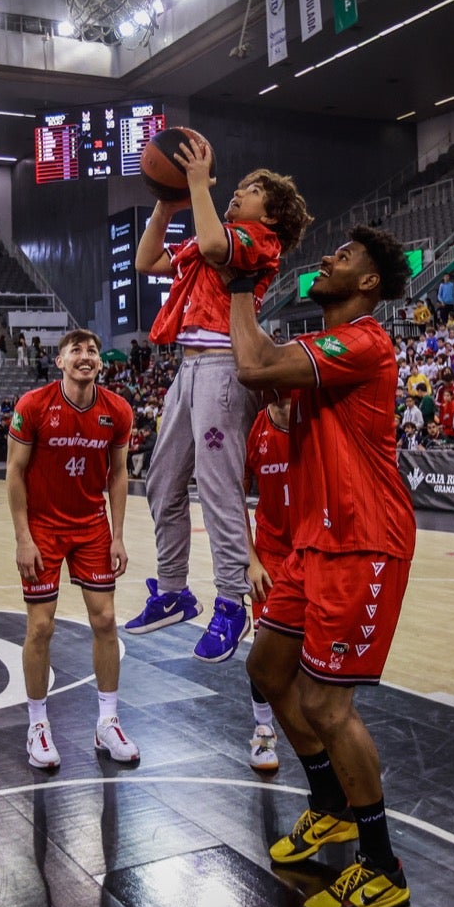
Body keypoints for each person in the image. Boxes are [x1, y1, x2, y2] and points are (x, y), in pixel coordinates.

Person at [228, 225, 415, 907]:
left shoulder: (364, 339)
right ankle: (330, 804)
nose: (328, 259)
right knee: (269, 671)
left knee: (330, 708)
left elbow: (253, 366)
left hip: (364, 541)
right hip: (315, 541)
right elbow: (265, 381)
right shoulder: (320, 348)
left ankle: (382, 864)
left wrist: (239, 280)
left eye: (345, 258)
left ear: (367, 283)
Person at [126, 135, 313, 665]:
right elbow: (148, 261)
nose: (235, 194)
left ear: (271, 214)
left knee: (217, 485)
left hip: (225, 367)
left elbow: (211, 246)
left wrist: (193, 183)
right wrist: (166, 202)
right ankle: (172, 590)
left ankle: (231, 601)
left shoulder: (258, 241)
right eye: (236, 189)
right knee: (161, 482)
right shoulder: (222, 230)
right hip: (188, 367)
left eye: (249, 191)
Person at [7, 329, 136, 768]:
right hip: (43, 526)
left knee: (106, 620)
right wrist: (23, 537)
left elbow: (118, 475)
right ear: (59, 361)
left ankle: (107, 722)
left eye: (92, 351)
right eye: (76, 351)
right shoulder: (33, 406)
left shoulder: (117, 410)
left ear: (100, 363)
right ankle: (38, 726)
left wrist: (118, 533)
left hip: (91, 525)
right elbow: (14, 472)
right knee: (41, 627)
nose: (86, 356)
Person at [241, 392, 294, 772]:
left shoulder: (316, 419)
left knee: (315, 652)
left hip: (315, 549)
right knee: (264, 649)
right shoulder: (254, 430)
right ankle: (263, 730)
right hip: (271, 555)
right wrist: (251, 559)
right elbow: (233, 498)